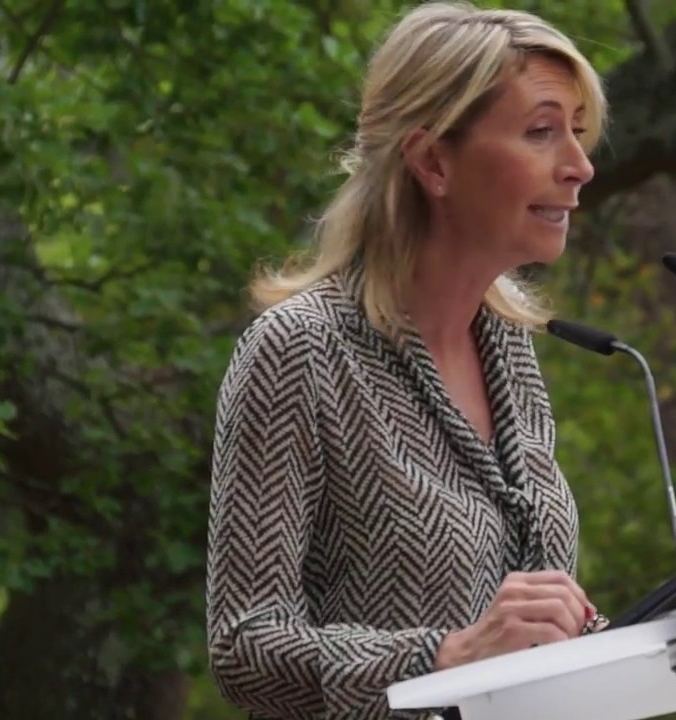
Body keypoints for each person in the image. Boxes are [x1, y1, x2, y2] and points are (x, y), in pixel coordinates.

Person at [205, 3, 610, 718]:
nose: (580, 166)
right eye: (542, 132)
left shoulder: (510, 350)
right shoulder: (301, 351)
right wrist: (444, 658)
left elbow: (520, 633)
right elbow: (245, 646)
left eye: (576, 133)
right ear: (432, 162)